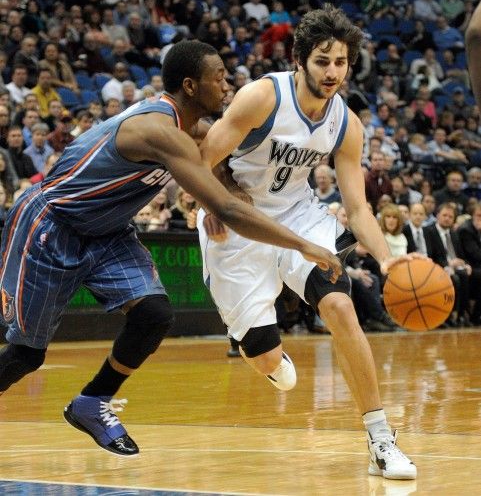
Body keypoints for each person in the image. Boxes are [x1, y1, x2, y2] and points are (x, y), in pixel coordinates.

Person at [0, 41, 342, 457]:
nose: (227, 86)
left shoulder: (190, 128)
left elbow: (217, 156)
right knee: (25, 356)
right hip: (52, 224)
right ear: (190, 86)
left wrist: (228, 183)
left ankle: (92, 402)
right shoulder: (160, 131)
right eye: (218, 78)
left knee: (154, 314)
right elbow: (229, 209)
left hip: (106, 232)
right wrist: (304, 243)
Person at [197, 6, 418, 480]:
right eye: (322, 60)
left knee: (341, 307)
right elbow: (200, 159)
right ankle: (270, 356)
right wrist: (218, 203)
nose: (332, 71)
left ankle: (381, 439)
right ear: (300, 60)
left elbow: (357, 209)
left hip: (299, 217)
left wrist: (388, 261)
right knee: (261, 356)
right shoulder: (262, 97)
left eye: (341, 61)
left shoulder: (346, 123)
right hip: (236, 220)